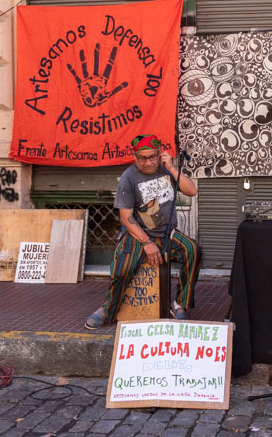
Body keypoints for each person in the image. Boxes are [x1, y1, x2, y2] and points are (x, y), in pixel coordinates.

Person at [85, 134, 202, 330]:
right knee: (122, 269)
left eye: (152, 157)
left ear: (159, 155)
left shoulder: (167, 171)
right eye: (142, 158)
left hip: (167, 233)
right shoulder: (128, 178)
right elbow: (126, 218)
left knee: (193, 250)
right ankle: (107, 309)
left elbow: (191, 191)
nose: (148, 162)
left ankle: (181, 304)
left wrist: (172, 168)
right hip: (139, 234)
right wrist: (147, 243)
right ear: (135, 156)